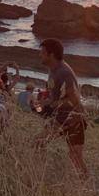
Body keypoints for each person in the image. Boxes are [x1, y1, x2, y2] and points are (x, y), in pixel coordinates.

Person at [37, 38, 89, 180]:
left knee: (39, 143)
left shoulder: (63, 72)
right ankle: (85, 183)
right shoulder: (54, 70)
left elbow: (73, 95)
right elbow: (58, 95)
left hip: (68, 118)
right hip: (64, 117)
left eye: (42, 53)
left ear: (51, 54)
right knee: (74, 156)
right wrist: (44, 102)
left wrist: (78, 117)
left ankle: (37, 176)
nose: (39, 55)